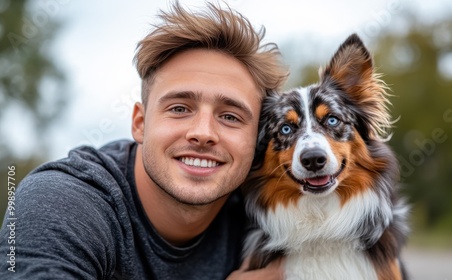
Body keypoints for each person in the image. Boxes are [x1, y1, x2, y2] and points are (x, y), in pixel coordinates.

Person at [0, 2, 288, 279]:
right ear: (140, 123)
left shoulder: (277, 211)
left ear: (258, 138)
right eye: (179, 109)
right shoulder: (62, 199)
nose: (203, 133)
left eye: (230, 117)